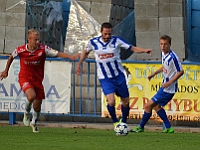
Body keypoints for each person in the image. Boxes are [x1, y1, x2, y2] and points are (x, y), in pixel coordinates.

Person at [0, 29, 80, 133]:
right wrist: (6, 71)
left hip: (37, 81)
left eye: (38, 40)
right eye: (35, 40)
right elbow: (11, 57)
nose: (38, 42)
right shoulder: (20, 50)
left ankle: (34, 123)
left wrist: (71, 57)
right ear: (29, 39)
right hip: (25, 78)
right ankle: (27, 112)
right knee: (31, 96)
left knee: (37, 107)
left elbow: (57, 53)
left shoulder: (43, 49)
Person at [76, 22, 153, 127]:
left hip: (119, 76)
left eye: (109, 34)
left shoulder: (117, 41)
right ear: (101, 32)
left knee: (125, 102)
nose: (107, 36)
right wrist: (79, 64)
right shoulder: (93, 43)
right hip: (105, 77)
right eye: (105, 34)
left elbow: (132, 48)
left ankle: (124, 122)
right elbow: (85, 52)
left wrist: (144, 50)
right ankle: (115, 122)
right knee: (111, 101)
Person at [133, 35, 184, 133]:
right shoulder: (164, 54)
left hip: (169, 88)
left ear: (170, 45)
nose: (163, 46)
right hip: (166, 86)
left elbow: (181, 72)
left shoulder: (173, 58)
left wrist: (169, 82)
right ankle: (168, 127)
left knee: (148, 105)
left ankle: (140, 126)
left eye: (165, 44)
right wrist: (154, 73)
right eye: (161, 44)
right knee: (156, 106)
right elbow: (164, 67)